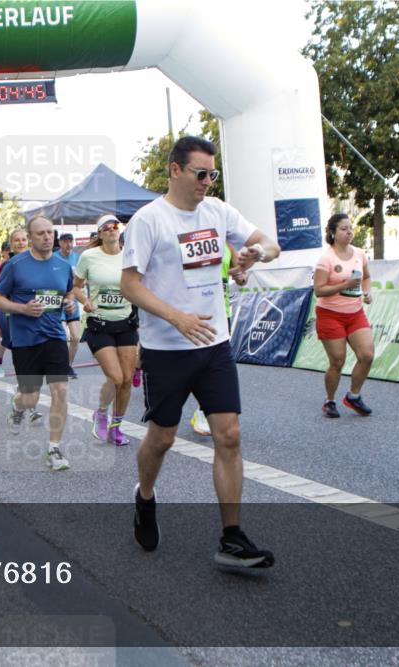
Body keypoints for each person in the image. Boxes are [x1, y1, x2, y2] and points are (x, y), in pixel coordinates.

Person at [121, 135, 280, 567]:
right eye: (201, 173)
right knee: (162, 438)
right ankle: (145, 497)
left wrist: (255, 253)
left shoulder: (218, 211)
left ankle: (232, 538)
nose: (208, 181)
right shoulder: (149, 220)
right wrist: (177, 318)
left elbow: (271, 244)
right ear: (175, 170)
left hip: (214, 345)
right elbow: (130, 284)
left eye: (213, 174)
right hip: (166, 349)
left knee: (229, 435)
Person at [0, 216, 76, 472]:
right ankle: (18, 406)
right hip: (25, 340)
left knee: (60, 390)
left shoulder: (63, 266)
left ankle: (54, 449)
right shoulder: (15, 265)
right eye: (40, 233)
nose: (47, 237)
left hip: (54, 336)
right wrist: (22, 309)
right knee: (30, 398)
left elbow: (68, 292)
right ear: (30, 238)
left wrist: (69, 303)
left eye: (50, 232)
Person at [74, 214, 138, 446]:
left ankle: (116, 427)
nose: (112, 229)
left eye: (115, 226)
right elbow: (75, 287)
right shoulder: (89, 256)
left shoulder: (130, 255)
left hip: (126, 323)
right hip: (99, 324)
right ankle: (101, 413)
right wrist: (85, 301)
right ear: (100, 233)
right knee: (116, 377)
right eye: (106, 227)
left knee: (127, 380)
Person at [313, 213, 375, 418]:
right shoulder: (326, 258)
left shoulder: (359, 254)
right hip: (330, 314)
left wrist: (367, 291)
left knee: (367, 355)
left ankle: (353, 396)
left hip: (355, 313)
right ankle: (329, 400)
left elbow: (366, 277)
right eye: (343, 229)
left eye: (350, 228)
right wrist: (344, 285)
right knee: (337, 361)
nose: (349, 232)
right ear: (333, 233)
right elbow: (319, 290)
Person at [189, 245, 248, 436]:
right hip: (197, 311)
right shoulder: (193, 240)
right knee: (197, 364)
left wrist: (240, 275)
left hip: (222, 313)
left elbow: (240, 275)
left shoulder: (227, 241)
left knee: (214, 365)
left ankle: (203, 411)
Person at [0, 229, 30, 379]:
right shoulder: (7, 265)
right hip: (7, 307)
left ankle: (26, 379)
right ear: (11, 244)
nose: (21, 243)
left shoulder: (34, 262)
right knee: (8, 338)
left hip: (27, 309)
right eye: (17, 240)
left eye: (23, 240)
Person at [54, 232, 82, 376]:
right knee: (63, 337)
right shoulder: (54, 257)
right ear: (60, 243)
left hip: (72, 300)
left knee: (76, 337)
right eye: (65, 241)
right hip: (58, 300)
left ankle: (69, 366)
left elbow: (83, 278)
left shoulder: (77, 258)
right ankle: (61, 365)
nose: (68, 244)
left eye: (70, 241)